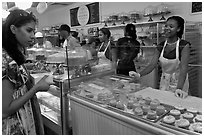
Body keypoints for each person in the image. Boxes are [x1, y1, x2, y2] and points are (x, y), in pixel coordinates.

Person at [2, 9, 54, 135]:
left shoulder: (14, 55)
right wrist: (36, 88)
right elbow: (4, 110)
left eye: (34, 31)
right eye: (29, 30)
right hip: (17, 126)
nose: (33, 36)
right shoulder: (8, 62)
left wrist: (27, 69)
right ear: (14, 29)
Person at [130, 16, 190, 99]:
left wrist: (179, 88)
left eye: (171, 26)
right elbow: (152, 65)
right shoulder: (161, 45)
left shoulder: (184, 45)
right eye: (166, 26)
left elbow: (184, 69)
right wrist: (139, 74)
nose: (167, 28)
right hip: (165, 80)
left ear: (178, 29)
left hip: (179, 81)